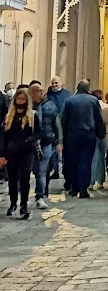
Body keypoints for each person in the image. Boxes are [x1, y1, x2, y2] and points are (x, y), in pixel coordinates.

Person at [1, 86, 41, 220]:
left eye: (23, 99)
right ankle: (13, 202)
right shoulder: (9, 117)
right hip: (11, 152)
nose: (20, 101)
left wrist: (29, 140)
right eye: (18, 99)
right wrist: (2, 154)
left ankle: (23, 205)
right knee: (12, 179)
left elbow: (38, 133)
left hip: (27, 151)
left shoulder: (32, 116)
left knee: (24, 179)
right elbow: (3, 136)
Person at [61, 80, 105, 199]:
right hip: (88, 135)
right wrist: (101, 133)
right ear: (88, 89)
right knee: (86, 161)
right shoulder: (93, 100)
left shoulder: (69, 100)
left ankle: (74, 188)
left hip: (72, 136)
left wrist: (63, 136)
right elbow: (98, 118)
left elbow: (63, 119)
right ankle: (83, 189)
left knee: (73, 161)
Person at [28, 80, 62, 208]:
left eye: (42, 90)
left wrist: (59, 141)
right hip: (29, 144)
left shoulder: (50, 106)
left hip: (46, 142)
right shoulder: (27, 106)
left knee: (42, 171)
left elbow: (57, 125)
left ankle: (40, 196)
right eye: (38, 91)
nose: (41, 93)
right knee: (29, 171)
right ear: (31, 93)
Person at [90, 89, 108, 189]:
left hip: (93, 132)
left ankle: (91, 181)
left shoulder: (92, 106)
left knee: (93, 157)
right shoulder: (107, 107)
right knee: (102, 156)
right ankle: (101, 180)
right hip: (105, 132)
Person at [47, 77, 71, 178]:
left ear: (61, 83)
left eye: (56, 83)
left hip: (65, 124)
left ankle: (65, 169)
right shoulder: (48, 95)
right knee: (54, 149)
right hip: (52, 125)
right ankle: (55, 170)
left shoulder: (68, 94)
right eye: (53, 83)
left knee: (66, 148)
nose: (54, 85)